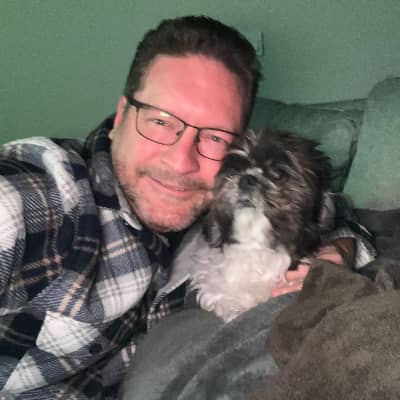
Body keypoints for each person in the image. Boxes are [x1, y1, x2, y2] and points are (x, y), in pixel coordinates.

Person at [0, 15, 374, 399]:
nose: (181, 161)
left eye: (215, 137)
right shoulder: (37, 199)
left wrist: (339, 251)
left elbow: (327, 208)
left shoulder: (209, 210)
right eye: (161, 121)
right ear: (122, 115)